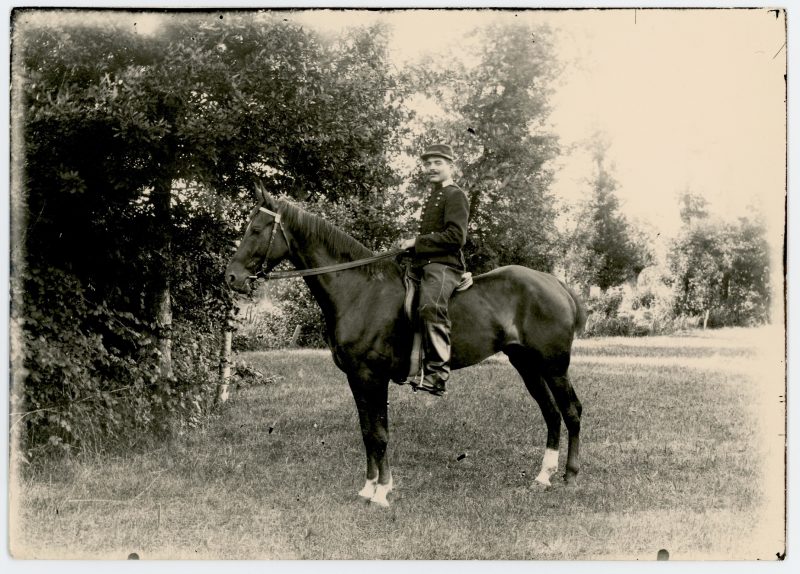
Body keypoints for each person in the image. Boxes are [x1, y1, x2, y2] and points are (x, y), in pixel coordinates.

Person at [398, 144, 470, 396]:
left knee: (431, 306)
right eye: (428, 164)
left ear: (451, 166)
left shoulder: (454, 195)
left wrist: (417, 243)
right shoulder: (434, 195)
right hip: (424, 262)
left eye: (437, 163)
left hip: (444, 265)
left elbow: (455, 236)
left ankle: (437, 374)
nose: (431, 168)